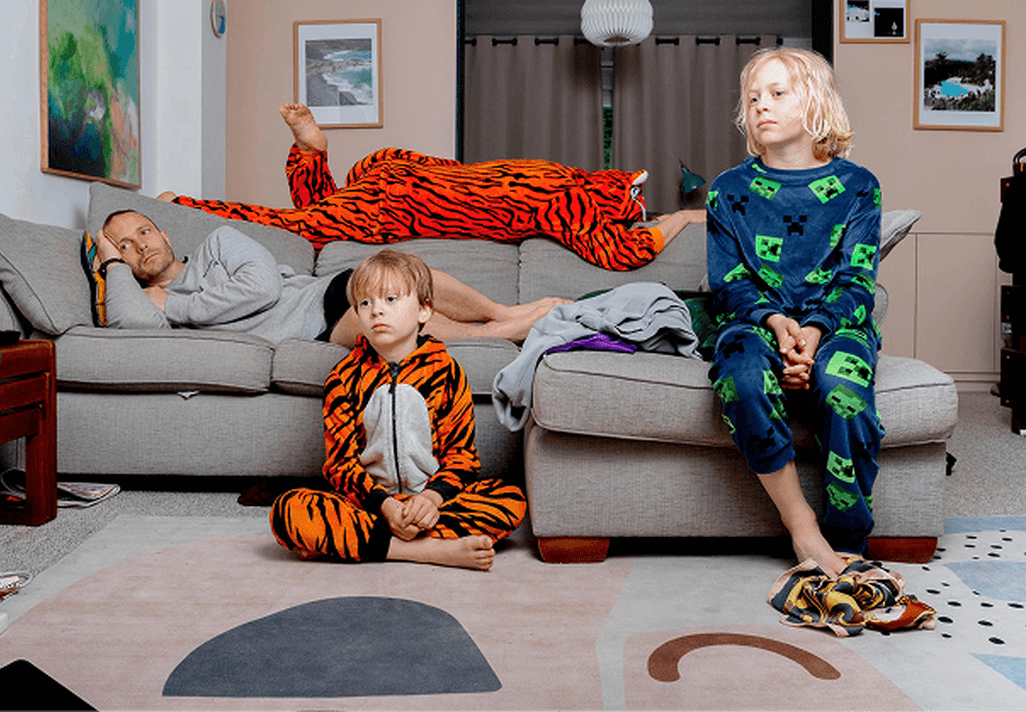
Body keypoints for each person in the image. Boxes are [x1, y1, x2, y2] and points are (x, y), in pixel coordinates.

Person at [705, 47, 884, 579]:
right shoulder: (728, 191)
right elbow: (728, 284)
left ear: (817, 103)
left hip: (837, 324)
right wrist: (777, 325)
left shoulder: (859, 187)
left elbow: (858, 280)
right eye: (754, 97)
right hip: (754, 324)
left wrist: (812, 329)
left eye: (778, 94)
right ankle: (802, 525)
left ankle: (847, 537)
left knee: (843, 390)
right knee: (741, 372)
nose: (763, 106)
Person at [157, 103, 705, 272]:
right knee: (298, 228)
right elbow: (624, 251)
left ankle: (312, 153)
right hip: (408, 204)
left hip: (399, 170)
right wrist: (684, 219)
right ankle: (179, 207)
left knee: (321, 217)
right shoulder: (571, 205)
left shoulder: (562, 175)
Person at [269, 249, 527, 569]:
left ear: (423, 310)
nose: (376, 310)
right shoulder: (343, 379)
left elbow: (461, 458)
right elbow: (340, 466)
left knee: (510, 498)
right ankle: (428, 550)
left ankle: (357, 544)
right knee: (289, 510)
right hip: (371, 505)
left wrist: (431, 499)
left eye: (390, 300)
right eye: (365, 303)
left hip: (433, 503)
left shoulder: (446, 371)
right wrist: (386, 506)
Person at [93, 209, 563, 345]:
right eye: (127, 245)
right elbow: (127, 326)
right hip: (317, 332)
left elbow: (263, 287)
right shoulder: (147, 303)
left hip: (320, 297)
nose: (142, 245)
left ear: (165, 233)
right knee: (386, 325)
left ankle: (505, 316)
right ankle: (506, 330)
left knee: (393, 276)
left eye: (145, 231)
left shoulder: (217, 244)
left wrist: (175, 304)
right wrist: (110, 262)